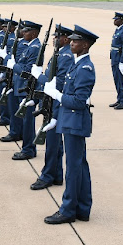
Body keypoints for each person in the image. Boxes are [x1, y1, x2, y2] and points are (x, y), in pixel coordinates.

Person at [43, 25, 98, 224]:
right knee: (79, 165)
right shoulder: (77, 64)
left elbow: (78, 101)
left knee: (73, 167)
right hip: (70, 120)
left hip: (75, 122)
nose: (71, 43)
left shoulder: (85, 69)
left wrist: (56, 95)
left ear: (85, 45)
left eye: (75, 41)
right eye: (71, 40)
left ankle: (68, 210)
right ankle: (82, 208)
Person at [29, 24, 74, 190]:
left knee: (53, 143)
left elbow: (57, 83)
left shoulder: (66, 56)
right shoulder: (60, 53)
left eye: (57, 37)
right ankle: (56, 175)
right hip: (50, 102)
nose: (54, 39)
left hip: (55, 104)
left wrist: (38, 77)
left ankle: (47, 176)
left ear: (66, 39)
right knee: (55, 143)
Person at [7, 20, 42, 161]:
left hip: (27, 88)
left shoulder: (35, 48)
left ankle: (28, 149)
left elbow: (27, 70)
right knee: (24, 121)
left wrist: (13, 66)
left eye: (26, 31)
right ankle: (26, 146)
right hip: (21, 86)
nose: (23, 33)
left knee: (28, 123)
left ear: (34, 33)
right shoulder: (29, 46)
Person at [109, 12, 123, 110]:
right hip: (115, 58)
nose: (114, 21)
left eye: (116, 19)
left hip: (120, 59)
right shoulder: (118, 30)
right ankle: (119, 99)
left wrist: (122, 62)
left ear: (121, 20)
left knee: (122, 81)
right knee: (117, 80)